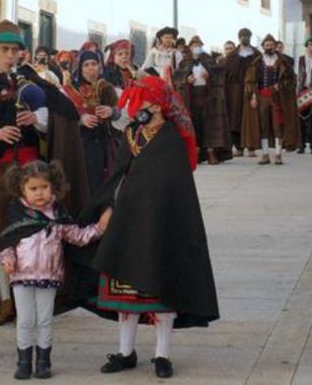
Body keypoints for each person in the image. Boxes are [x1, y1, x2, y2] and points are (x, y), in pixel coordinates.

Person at [78, 76, 219, 379]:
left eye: (140, 100)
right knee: (124, 295)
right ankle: (125, 351)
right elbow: (119, 175)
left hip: (161, 226)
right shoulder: (130, 133)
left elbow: (175, 185)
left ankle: (162, 355)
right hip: (127, 224)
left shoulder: (171, 139)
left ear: (156, 103)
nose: (134, 105)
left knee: (161, 295)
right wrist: (108, 207)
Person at [0, 20, 90, 328]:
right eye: (4, 49)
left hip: (30, 169)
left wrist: (36, 117)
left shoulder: (32, 80)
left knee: (35, 230)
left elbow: (62, 110)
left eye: (15, 50)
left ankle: (37, 296)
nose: (10, 55)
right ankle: (5, 299)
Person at [0, 161, 110, 380]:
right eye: (33, 188)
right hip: (22, 276)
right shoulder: (17, 212)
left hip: (49, 275)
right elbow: (7, 244)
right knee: (25, 319)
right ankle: (23, 361)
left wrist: (99, 228)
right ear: (22, 189)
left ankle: (43, 361)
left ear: (53, 186)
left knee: (45, 319)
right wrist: (7, 260)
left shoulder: (58, 213)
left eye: (44, 187)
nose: (39, 193)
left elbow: (77, 236)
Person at [65, 48, 125, 196]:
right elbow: (63, 117)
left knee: (103, 183)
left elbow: (121, 112)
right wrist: (81, 119)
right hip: (81, 144)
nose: (91, 68)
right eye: (86, 64)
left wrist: (111, 112)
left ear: (100, 66)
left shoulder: (108, 88)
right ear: (80, 68)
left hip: (105, 143)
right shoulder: (70, 90)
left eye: (94, 63)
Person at [241, 34, 301, 165]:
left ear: (275, 46)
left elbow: (291, 79)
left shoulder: (284, 62)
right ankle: (265, 155)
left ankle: (278, 154)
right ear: (263, 47)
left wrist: (280, 85)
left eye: (271, 45)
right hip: (262, 97)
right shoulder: (256, 62)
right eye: (267, 45)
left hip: (278, 98)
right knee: (264, 126)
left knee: (277, 125)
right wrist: (253, 96)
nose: (269, 47)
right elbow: (250, 81)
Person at [174, 36, 231, 165]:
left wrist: (209, 76)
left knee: (209, 125)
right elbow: (177, 77)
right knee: (195, 124)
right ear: (190, 46)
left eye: (199, 44)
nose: (197, 47)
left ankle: (211, 152)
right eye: (194, 45)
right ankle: (196, 153)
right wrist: (186, 80)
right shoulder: (185, 61)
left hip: (208, 97)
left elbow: (219, 76)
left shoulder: (208, 59)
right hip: (192, 97)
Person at [223, 29, 260, 156]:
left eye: (247, 36)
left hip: (252, 89)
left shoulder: (256, 54)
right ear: (239, 38)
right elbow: (226, 74)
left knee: (251, 118)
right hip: (235, 92)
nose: (245, 38)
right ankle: (238, 147)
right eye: (243, 36)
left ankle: (251, 147)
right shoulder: (232, 55)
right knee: (235, 118)